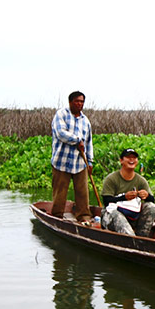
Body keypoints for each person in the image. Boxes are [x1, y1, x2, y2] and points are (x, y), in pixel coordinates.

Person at [51, 91, 94, 223]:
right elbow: (60, 133)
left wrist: (90, 161)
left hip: (79, 163)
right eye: (77, 101)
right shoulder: (61, 114)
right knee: (60, 193)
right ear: (70, 102)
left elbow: (88, 142)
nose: (80, 104)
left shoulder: (85, 121)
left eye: (82, 102)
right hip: (61, 161)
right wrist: (77, 140)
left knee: (82, 193)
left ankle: (83, 217)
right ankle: (57, 216)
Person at [100, 148, 155, 236]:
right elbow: (106, 201)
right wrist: (124, 198)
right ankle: (131, 239)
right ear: (121, 161)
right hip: (112, 216)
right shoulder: (111, 179)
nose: (132, 160)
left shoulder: (141, 180)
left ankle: (142, 237)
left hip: (133, 217)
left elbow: (152, 200)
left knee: (151, 206)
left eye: (134, 158)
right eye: (128, 157)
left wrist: (146, 196)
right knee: (115, 214)